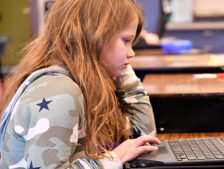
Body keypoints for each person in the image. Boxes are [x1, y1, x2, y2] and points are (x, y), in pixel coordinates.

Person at [0, 0, 159, 168]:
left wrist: (123, 72)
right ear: (95, 37)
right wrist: (110, 161)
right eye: (126, 41)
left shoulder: (83, 84)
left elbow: (144, 141)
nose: (131, 53)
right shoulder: (59, 93)